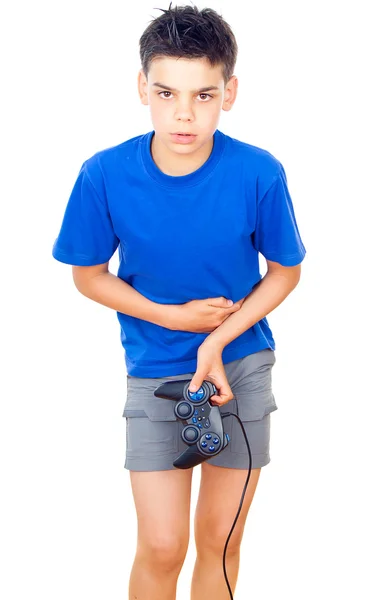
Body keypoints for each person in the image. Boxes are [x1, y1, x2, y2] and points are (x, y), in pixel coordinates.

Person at [52, 3, 306, 599]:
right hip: (156, 371)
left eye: (204, 95)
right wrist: (174, 319)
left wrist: (216, 338)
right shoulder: (104, 174)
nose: (184, 115)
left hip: (239, 367)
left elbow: (285, 273)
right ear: (142, 86)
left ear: (230, 91)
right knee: (162, 545)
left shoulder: (259, 172)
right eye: (166, 93)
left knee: (219, 542)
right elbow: (87, 275)